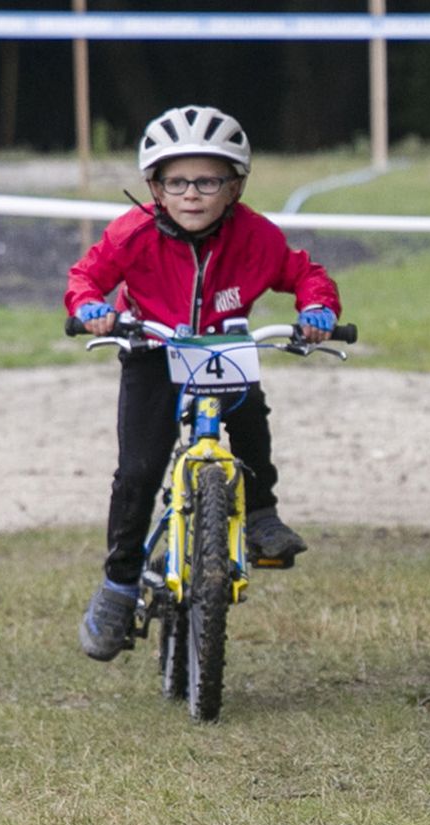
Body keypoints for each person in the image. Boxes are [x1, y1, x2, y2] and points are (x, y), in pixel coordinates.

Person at [67, 104, 342, 661]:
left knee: (251, 420)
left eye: (208, 180)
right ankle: (119, 585)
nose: (192, 193)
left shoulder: (258, 236)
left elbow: (305, 274)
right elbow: (86, 276)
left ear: (235, 186)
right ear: (155, 187)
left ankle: (262, 513)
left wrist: (317, 310)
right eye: (177, 181)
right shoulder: (131, 234)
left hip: (226, 347)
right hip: (151, 347)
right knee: (139, 470)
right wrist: (92, 306)